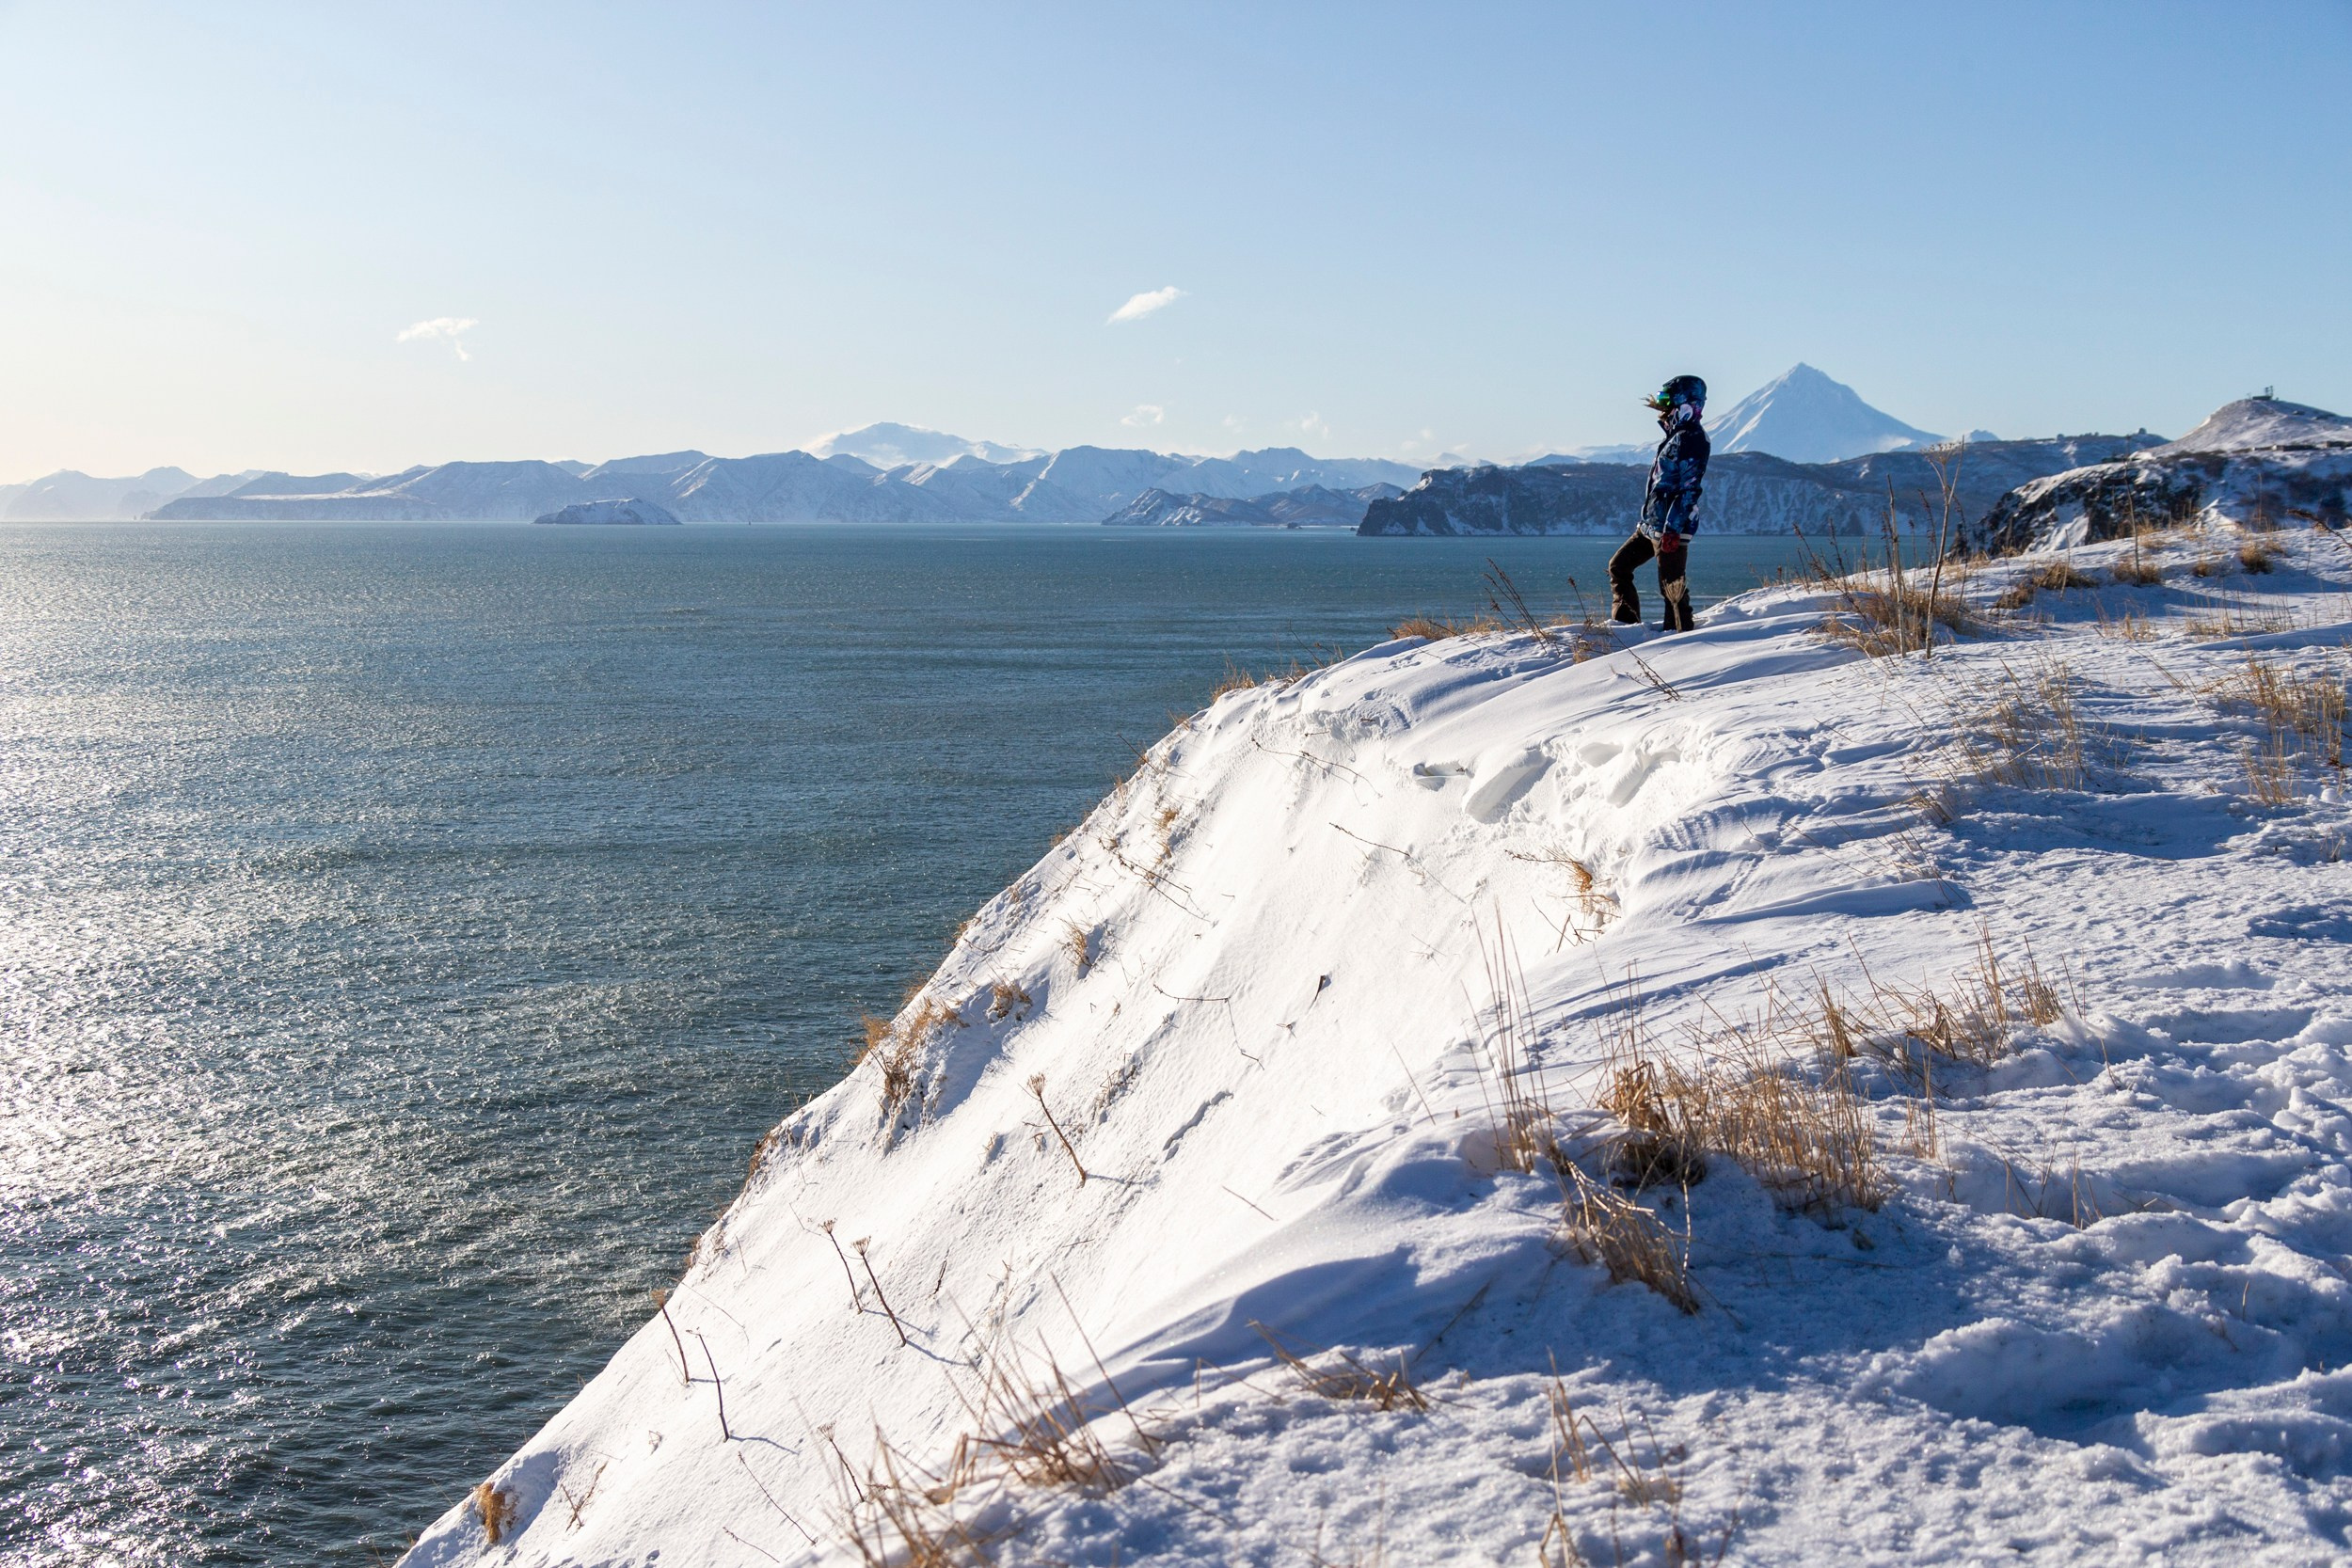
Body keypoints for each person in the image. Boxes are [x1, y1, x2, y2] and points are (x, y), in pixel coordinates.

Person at [1609, 374, 1709, 632]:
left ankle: (1681, 638)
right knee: (1619, 566)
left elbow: (1689, 489)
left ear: (1684, 402)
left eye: (1667, 400)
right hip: (1651, 524)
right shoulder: (1675, 436)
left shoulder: (1691, 439)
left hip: (1670, 528)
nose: (1662, 406)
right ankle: (1625, 628)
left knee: (1672, 588)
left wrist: (1672, 530)